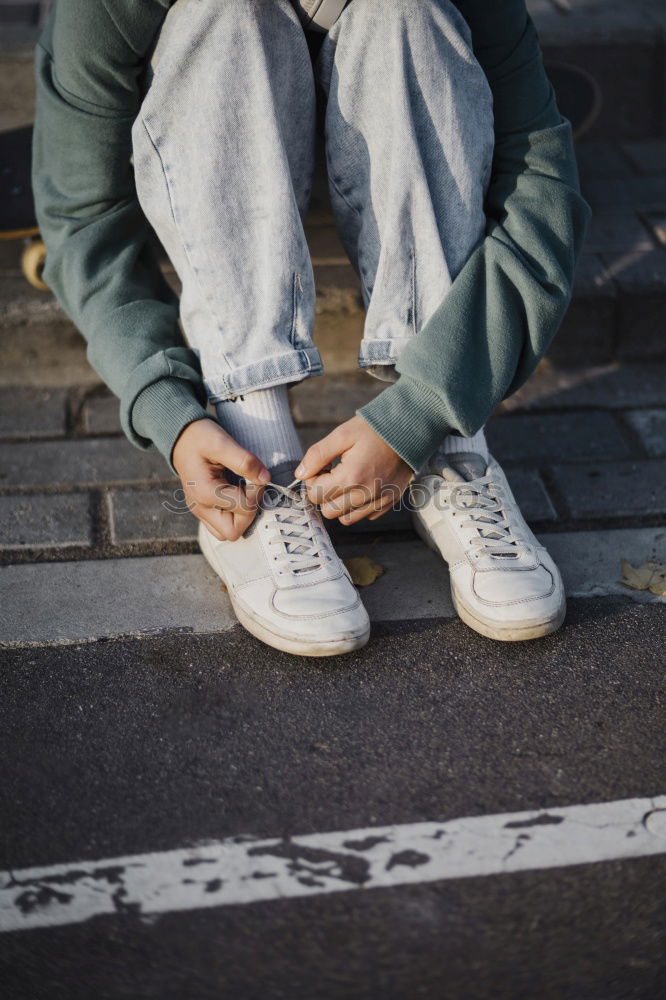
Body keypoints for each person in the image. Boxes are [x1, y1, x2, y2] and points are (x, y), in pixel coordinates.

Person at [32, 0, 590, 656]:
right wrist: (170, 414)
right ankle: (254, 450)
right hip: (212, 126)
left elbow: (542, 192)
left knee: (405, 13)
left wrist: (423, 411)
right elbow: (84, 218)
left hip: (388, 108)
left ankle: (452, 450)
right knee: (220, 17)